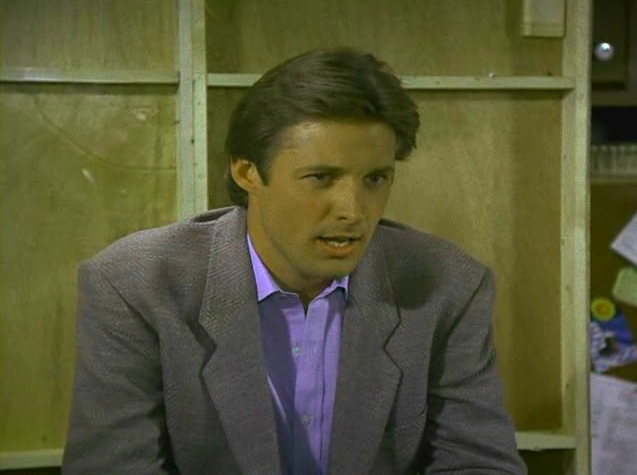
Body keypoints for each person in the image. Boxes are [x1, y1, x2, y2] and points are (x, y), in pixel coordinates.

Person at [63, 47, 526, 475]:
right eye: (321, 177)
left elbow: (479, 464)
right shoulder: (135, 285)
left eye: (374, 179)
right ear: (247, 172)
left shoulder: (448, 285)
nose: (353, 210)